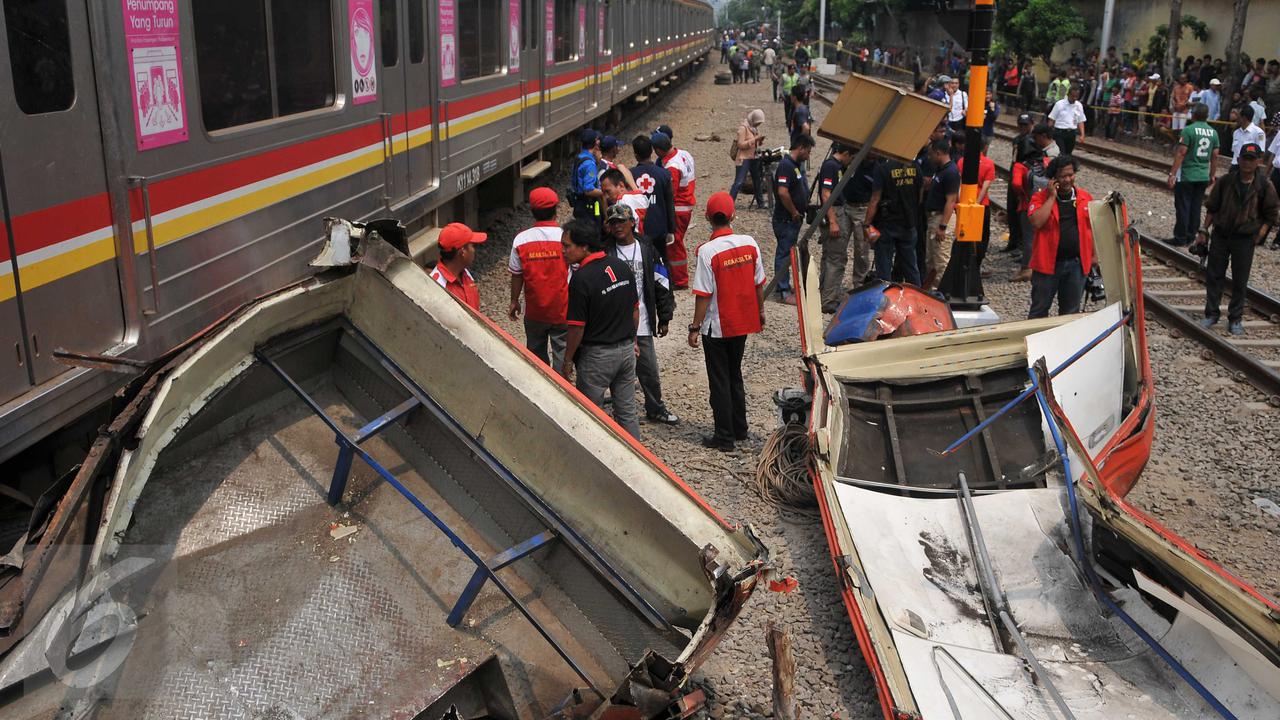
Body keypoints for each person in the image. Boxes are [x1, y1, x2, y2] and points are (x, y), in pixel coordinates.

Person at [688, 192, 767, 452]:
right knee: (735, 374)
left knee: (719, 379)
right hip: (743, 322)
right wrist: (761, 311)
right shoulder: (750, 243)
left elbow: (703, 294)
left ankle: (724, 437)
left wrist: (695, 327)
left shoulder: (707, 252)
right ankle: (739, 427)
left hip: (717, 327)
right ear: (733, 216)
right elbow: (758, 284)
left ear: (708, 218)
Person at [560, 219, 642, 438]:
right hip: (626, 352)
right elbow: (635, 311)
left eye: (567, 246)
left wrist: (567, 359)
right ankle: (636, 461)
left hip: (597, 357)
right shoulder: (620, 266)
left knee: (592, 416)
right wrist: (633, 341)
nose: (563, 251)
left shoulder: (581, 279)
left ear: (584, 247)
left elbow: (576, 327)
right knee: (627, 413)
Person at [604, 203, 679, 424]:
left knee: (650, 373)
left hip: (643, 323)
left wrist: (665, 317)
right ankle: (619, 414)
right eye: (613, 222)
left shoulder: (647, 249)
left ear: (632, 223)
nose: (618, 226)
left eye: (621, 221)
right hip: (614, 325)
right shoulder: (605, 251)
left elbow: (662, 283)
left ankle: (655, 408)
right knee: (615, 372)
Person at [1195, 143, 1279, 335]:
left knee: (1240, 280)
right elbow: (1212, 207)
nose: (1247, 163)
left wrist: (1260, 234)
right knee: (1214, 275)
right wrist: (1203, 230)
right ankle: (1211, 314)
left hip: (1245, 238)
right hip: (1221, 234)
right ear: (1239, 159)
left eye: (1252, 159)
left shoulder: (1264, 185)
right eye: (1245, 158)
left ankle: (1235, 319)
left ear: (1258, 162)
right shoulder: (1226, 181)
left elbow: (1272, 213)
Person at [509, 188, 570, 367]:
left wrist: (514, 301)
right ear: (556, 208)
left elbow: (517, 274)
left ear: (533, 211)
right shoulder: (565, 238)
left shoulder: (521, 240)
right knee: (562, 352)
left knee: (536, 357)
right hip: (562, 309)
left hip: (535, 312)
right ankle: (562, 387)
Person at [1026, 156, 1093, 318]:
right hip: (1047, 264)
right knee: (1039, 310)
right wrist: (1051, 197)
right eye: (1063, 176)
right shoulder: (1040, 198)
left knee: (1070, 313)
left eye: (1071, 175)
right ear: (1054, 179)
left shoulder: (1085, 198)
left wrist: (1094, 257)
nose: (1068, 179)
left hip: (1076, 264)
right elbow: (1037, 222)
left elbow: (1093, 229)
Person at [1168, 103, 1220, 246]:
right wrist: (1212, 174)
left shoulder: (1188, 130)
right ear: (1207, 116)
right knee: (1196, 207)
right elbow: (1215, 155)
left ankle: (1180, 237)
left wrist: (1172, 173)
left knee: (1183, 206)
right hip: (1203, 175)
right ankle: (1191, 235)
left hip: (1187, 174)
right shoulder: (1213, 132)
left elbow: (1181, 152)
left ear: (1194, 115)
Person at [771, 133, 814, 305]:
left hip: (792, 220)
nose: (809, 155)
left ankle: (785, 285)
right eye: (808, 151)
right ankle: (782, 291)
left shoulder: (794, 165)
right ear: (801, 148)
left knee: (788, 252)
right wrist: (794, 211)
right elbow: (782, 192)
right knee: (784, 254)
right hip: (786, 219)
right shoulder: (786, 165)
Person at [865, 155, 921, 286]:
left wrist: (867, 223)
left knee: (884, 266)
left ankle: (885, 299)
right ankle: (918, 297)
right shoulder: (916, 168)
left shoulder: (883, 169)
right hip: (908, 223)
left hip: (886, 224)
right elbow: (920, 194)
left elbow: (875, 199)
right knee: (911, 265)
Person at [653, 126, 696, 287]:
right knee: (676, 243)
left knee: (674, 244)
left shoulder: (672, 167)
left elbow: (671, 194)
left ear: (659, 150)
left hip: (679, 208)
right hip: (687, 204)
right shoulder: (684, 154)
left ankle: (680, 280)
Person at [630, 134, 676, 265]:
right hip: (660, 229)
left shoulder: (630, 175)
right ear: (651, 151)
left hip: (640, 230)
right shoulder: (664, 174)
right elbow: (669, 203)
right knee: (663, 262)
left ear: (635, 154)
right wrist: (671, 229)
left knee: (643, 263)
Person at [922, 139, 960, 290]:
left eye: (931, 154)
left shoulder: (950, 172)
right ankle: (932, 292)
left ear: (938, 153)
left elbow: (951, 201)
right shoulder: (941, 170)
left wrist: (943, 226)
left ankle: (942, 293)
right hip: (934, 219)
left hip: (941, 220)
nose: (929, 157)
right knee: (931, 259)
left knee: (941, 260)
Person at [429, 222, 486, 311]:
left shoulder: (464, 272)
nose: (474, 250)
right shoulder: (437, 287)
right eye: (472, 246)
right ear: (463, 251)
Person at [1004, 113, 1036, 254]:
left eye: (1025, 124)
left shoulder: (1032, 141)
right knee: (1012, 210)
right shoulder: (1018, 139)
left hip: (1022, 179)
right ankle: (1014, 241)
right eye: (1021, 124)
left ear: (1031, 124)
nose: (1023, 127)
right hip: (1015, 176)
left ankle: (1020, 244)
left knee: (1020, 212)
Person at [729, 109, 767, 208]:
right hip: (743, 158)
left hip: (753, 157)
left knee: (757, 180)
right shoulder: (743, 128)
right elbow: (740, 144)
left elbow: (753, 143)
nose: (758, 125)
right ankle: (729, 203)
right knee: (739, 181)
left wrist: (759, 141)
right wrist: (754, 139)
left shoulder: (753, 128)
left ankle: (761, 203)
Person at [571, 129, 603, 225]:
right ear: (595, 143)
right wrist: (605, 192)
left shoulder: (579, 157)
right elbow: (588, 190)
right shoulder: (589, 164)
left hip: (578, 203)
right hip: (588, 207)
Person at [600, 168, 648, 233]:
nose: (606, 197)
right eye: (604, 193)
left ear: (621, 185)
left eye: (608, 191)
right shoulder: (640, 196)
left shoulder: (622, 201)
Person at [1047, 85, 1086, 155]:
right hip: (1059, 132)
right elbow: (1052, 119)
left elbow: (1081, 120)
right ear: (1068, 95)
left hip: (1071, 133)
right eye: (1073, 96)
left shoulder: (1079, 105)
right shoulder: (1059, 104)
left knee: (1068, 154)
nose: (1074, 98)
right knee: (1061, 153)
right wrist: (1048, 133)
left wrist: (1082, 134)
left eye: (1076, 96)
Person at [1268, 129, 1280, 247]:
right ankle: (1261, 234)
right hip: (1277, 172)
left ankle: (1278, 240)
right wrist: (1266, 173)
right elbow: (1273, 152)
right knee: (1269, 203)